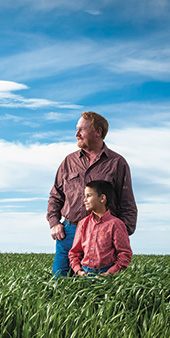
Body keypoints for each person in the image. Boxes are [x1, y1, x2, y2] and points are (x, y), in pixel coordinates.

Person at [47, 111, 137, 279]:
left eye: (81, 130)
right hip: (69, 232)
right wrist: (54, 223)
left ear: (98, 132)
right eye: (76, 129)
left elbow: (127, 202)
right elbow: (55, 196)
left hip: (103, 236)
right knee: (59, 285)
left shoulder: (117, 163)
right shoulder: (68, 162)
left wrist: (120, 234)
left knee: (99, 292)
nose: (76, 134)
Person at [68, 180, 132, 277]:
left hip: (107, 273)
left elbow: (124, 253)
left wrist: (110, 273)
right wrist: (79, 271)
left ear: (102, 198)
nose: (84, 200)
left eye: (88, 196)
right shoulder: (82, 223)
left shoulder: (116, 224)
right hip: (85, 273)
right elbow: (74, 252)